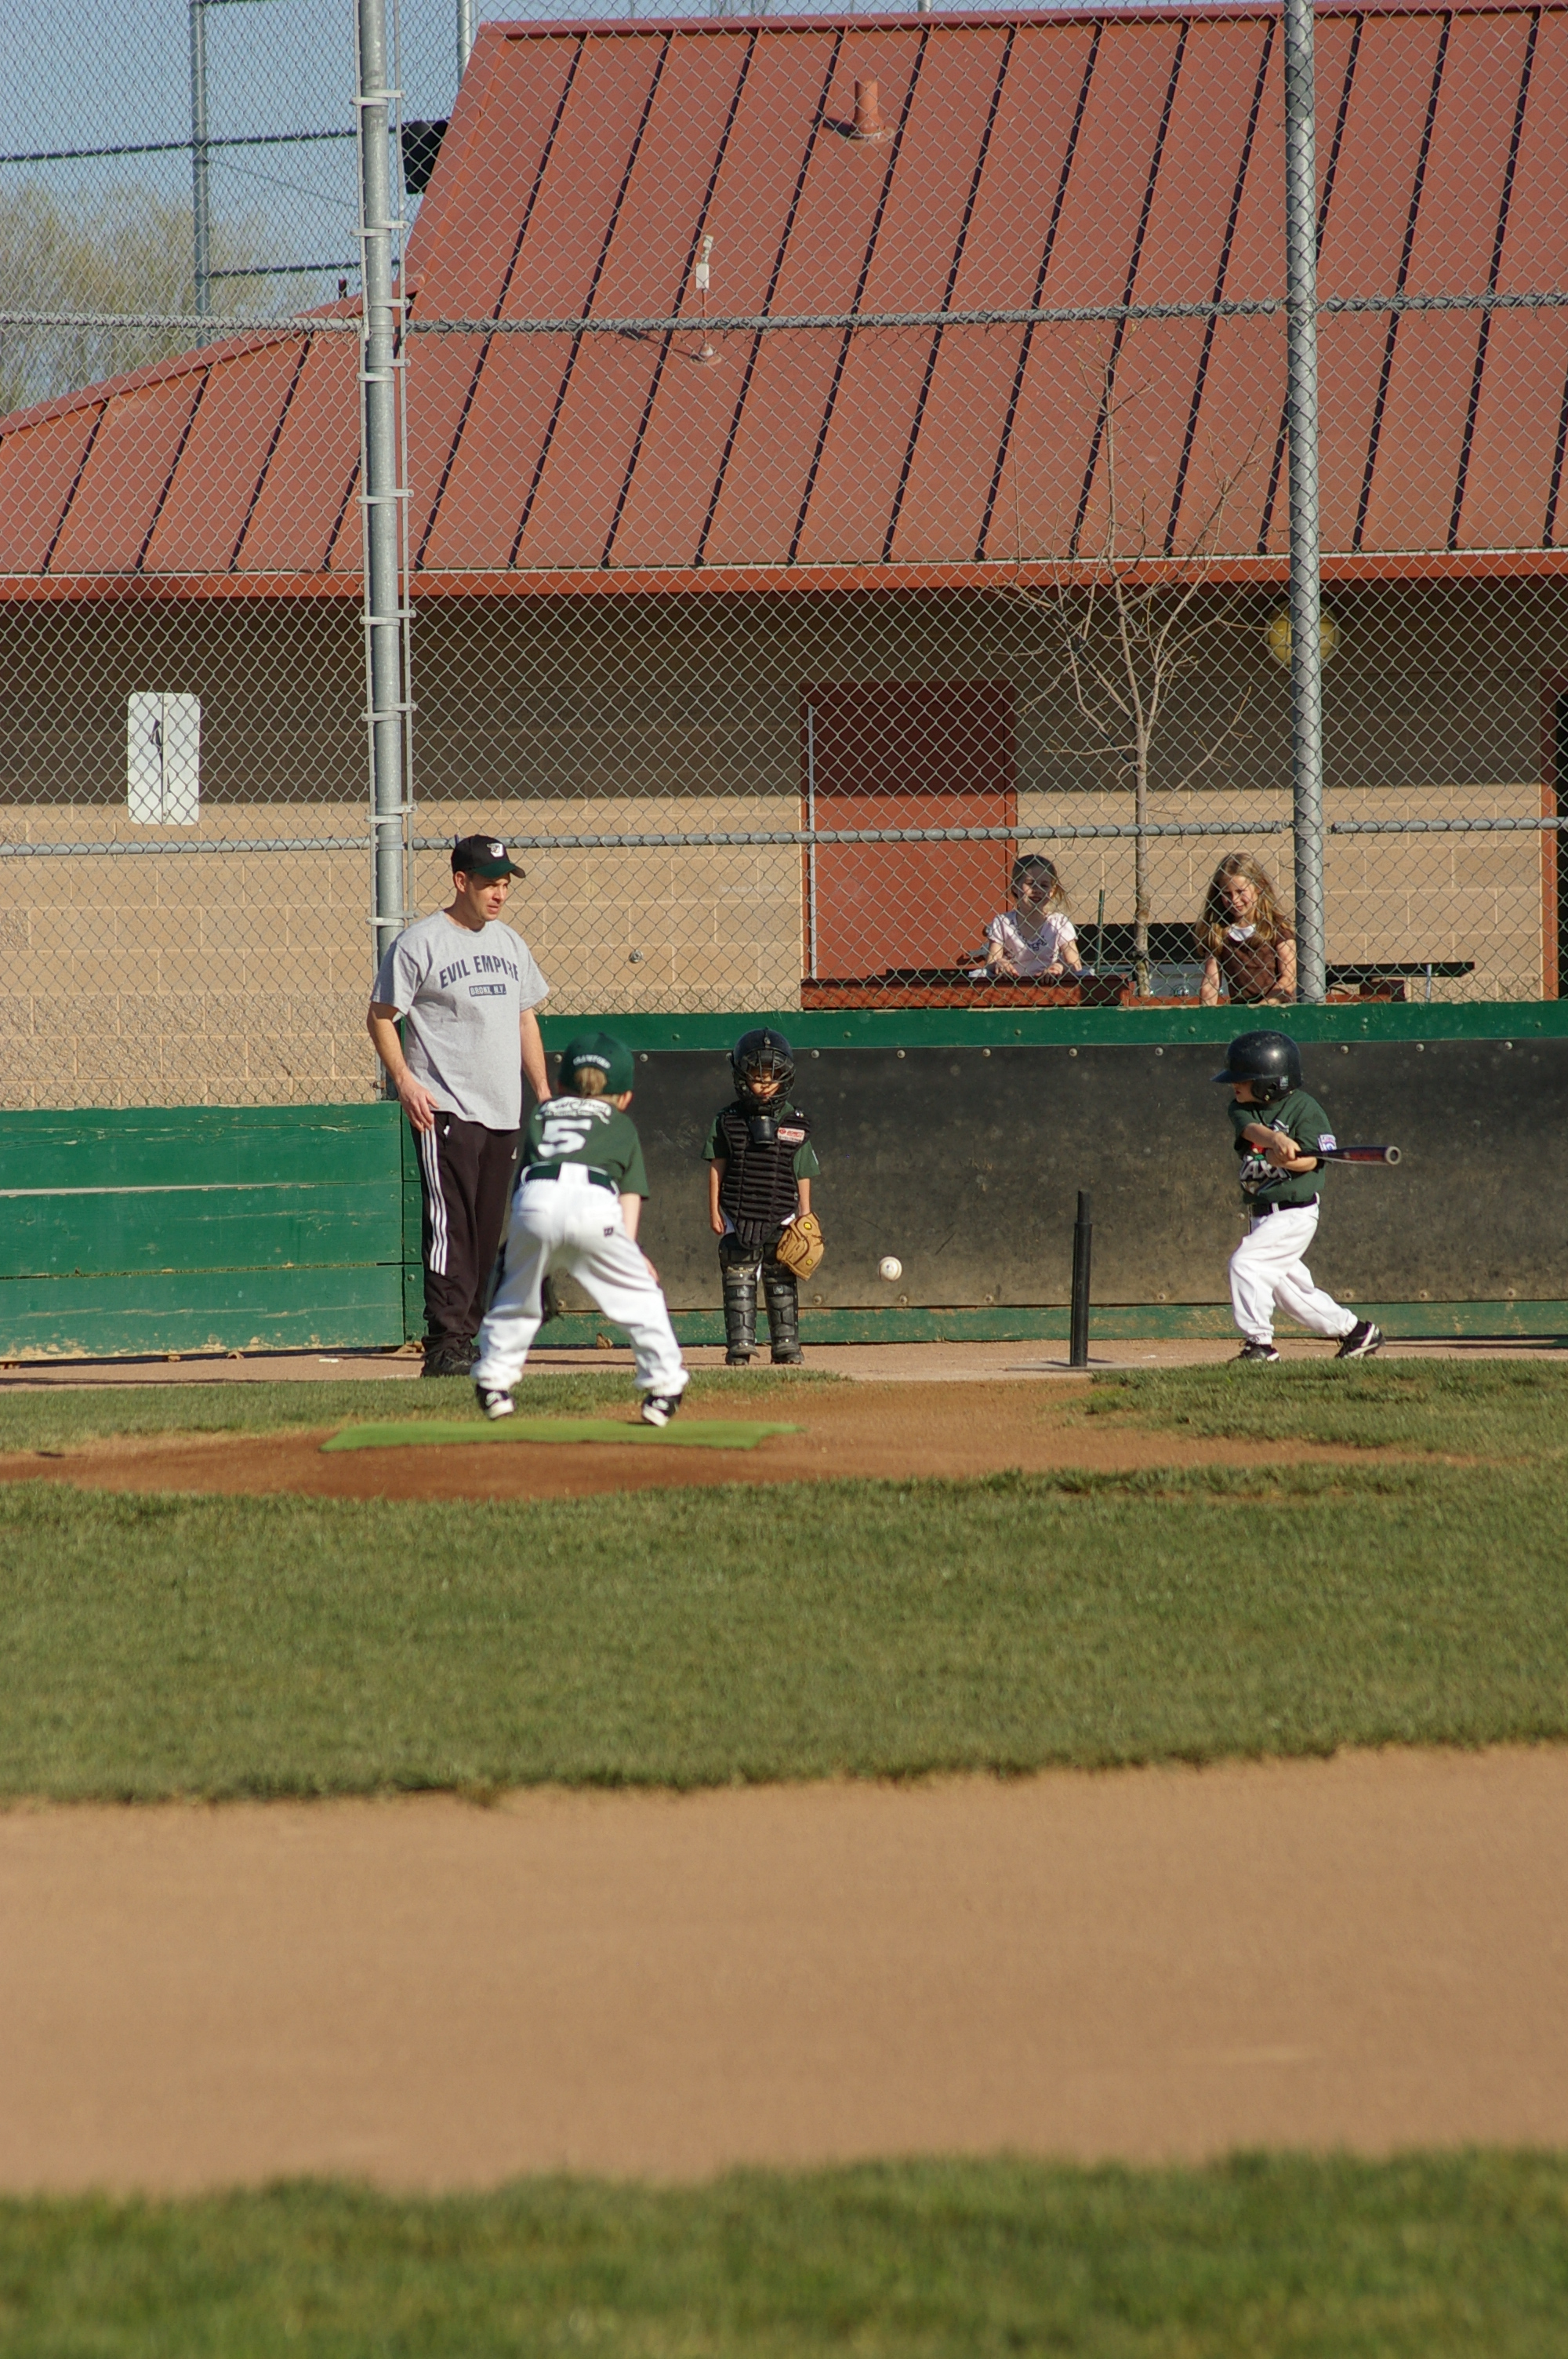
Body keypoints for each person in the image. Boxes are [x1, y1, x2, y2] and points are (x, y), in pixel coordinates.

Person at [368, 834, 550, 1378]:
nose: (499, 894)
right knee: (451, 1228)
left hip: (502, 1110)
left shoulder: (510, 944)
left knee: (485, 1230)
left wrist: (543, 1092)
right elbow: (380, 1016)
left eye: (505, 884)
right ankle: (445, 1342)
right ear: (460, 881)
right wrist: (405, 1082)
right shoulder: (420, 942)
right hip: (444, 1107)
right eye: (489, 883)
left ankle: (469, 1338)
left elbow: (525, 1018)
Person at [472, 1031, 688, 1426]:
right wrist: (631, 1250)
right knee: (639, 1299)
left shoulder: (542, 1115)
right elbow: (629, 1194)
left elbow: (523, 1183)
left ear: (559, 1086)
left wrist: (522, 1247)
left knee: (516, 1296)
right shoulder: (620, 1124)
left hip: (537, 1200)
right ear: (625, 1097)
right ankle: (664, 1386)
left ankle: (493, 1381)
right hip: (594, 1204)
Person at [1214, 1029, 1382, 1365]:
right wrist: (1276, 1141)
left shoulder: (1306, 1110)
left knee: (1246, 1263)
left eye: (1244, 1080)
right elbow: (1250, 1130)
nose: (1235, 1085)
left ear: (1270, 1082)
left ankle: (1260, 1345)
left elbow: (1313, 1161)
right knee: (1292, 1293)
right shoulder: (1241, 1108)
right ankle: (1358, 1332)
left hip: (1294, 1214)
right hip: (1262, 1214)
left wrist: (1290, 1160)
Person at [706, 1027, 820, 1367]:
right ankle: (740, 1345)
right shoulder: (728, 1120)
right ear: (742, 1077)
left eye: (772, 1076)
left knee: (781, 1275)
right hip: (737, 1209)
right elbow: (717, 1166)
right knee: (738, 1275)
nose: (765, 1084)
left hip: (782, 1209)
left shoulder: (794, 1121)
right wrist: (713, 1209)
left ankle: (786, 1345)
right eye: (757, 1076)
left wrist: (806, 1214)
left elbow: (802, 1170)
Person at [1197, 852, 1297, 1005]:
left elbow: (1289, 978)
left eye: (1240, 891)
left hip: (1277, 1010)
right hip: (1241, 1012)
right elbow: (1211, 982)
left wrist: (1262, 1007)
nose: (1234, 900)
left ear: (1259, 886)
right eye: (1227, 894)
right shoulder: (1219, 932)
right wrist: (1206, 1013)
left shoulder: (1277, 928)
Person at [984, 855, 1082, 980]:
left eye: (1044, 885)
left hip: (1049, 985)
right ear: (1015, 887)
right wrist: (999, 963)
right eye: (1030, 883)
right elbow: (990, 963)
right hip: (1012, 984)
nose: (1037, 890)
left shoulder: (1059, 923)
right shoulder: (1003, 922)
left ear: (1052, 891)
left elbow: (1075, 964)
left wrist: (1060, 967)